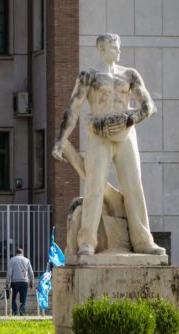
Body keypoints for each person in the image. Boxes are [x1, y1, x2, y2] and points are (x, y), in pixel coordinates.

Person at [52, 33, 164, 257]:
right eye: (114, 46)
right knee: (94, 187)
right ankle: (87, 242)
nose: (118, 50)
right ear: (101, 49)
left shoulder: (129, 74)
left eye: (119, 46)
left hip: (126, 135)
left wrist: (130, 119)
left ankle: (143, 241)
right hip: (99, 134)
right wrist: (60, 140)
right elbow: (73, 110)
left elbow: (149, 106)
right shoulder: (89, 76)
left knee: (134, 187)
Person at [5, 248, 34, 316]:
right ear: (22, 253)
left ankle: (14, 312)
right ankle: (22, 313)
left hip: (14, 282)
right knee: (23, 299)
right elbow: (31, 273)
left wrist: (7, 283)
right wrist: (31, 282)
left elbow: (9, 273)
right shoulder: (27, 260)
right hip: (25, 282)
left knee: (13, 298)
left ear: (16, 253)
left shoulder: (12, 260)